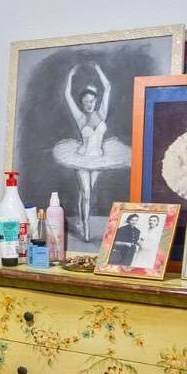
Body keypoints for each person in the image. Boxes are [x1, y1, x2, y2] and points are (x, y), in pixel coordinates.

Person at [52, 62, 130, 242]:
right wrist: (70, 76)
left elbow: (108, 87)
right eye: (85, 102)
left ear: (96, 101)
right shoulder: (80, 118)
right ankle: (85, 228)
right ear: (82, 103)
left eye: (91, 101)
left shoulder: (102, 114)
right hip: (82, 159)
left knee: (85, 194)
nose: (89, 104)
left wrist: (98, 69)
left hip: (99, 159)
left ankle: (81, 221)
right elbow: (67, 95)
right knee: (86, 194)